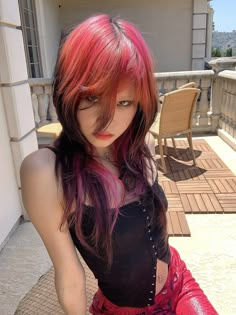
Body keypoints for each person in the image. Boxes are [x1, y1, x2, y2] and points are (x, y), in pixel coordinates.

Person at [20, 14, 218, 315]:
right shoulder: (47, 173)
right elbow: (70, 277)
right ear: (68, 91)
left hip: (178, 283)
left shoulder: (141, 147)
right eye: (93, 97)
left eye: (124, 102)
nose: (108, 119)